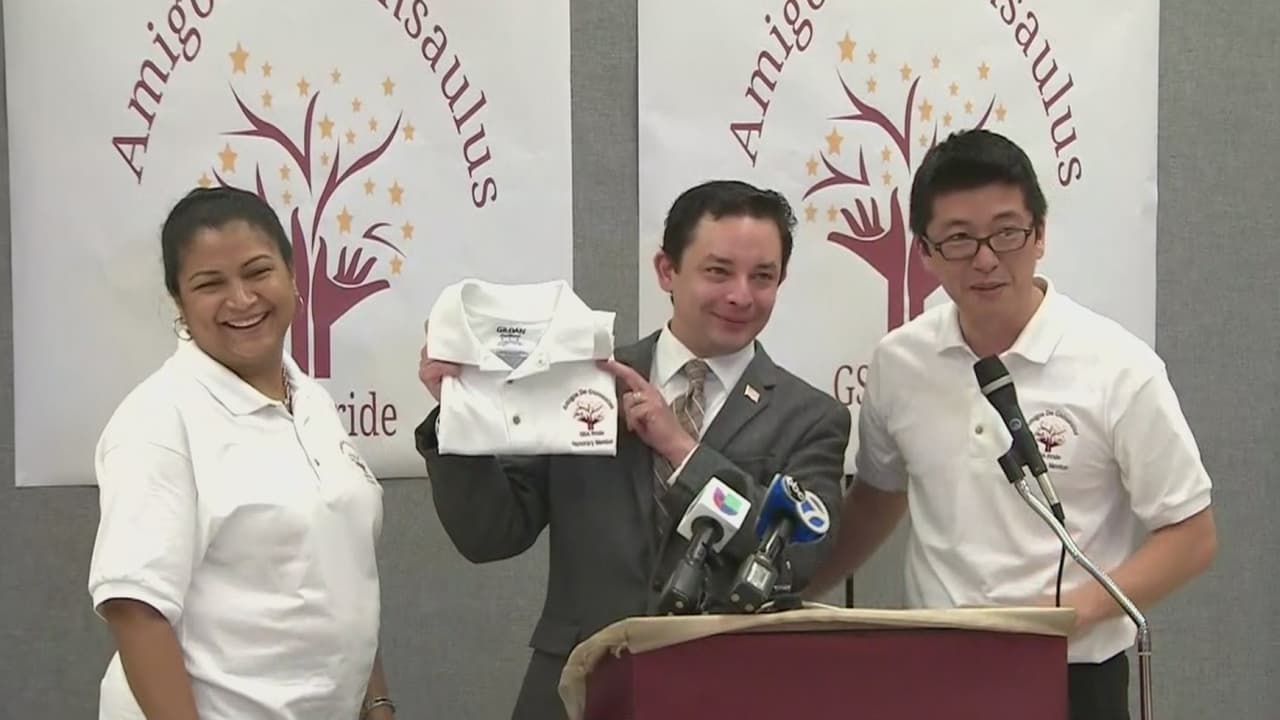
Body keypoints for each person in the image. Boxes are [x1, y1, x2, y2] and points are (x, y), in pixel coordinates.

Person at [804, 129, 1218, 720]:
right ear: (925, 253)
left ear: (1040, 235)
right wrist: (793, 592)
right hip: (936, 667)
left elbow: (1192, 535)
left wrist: (1072, 613)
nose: (986, 259)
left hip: (1073, 671)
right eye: (958, 239)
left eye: (1007, 233)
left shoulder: (1118, 365)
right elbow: (877, 498)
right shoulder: (900, 362)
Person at [415, 180, 850, 720]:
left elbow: (798, 557)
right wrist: (459, 414)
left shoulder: (811, 418)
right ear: (667, 270)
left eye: (762, 277)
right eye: (718, 272)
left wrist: (681, 449)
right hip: (580, 687)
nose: (741, 295)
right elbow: (491, 534)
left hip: (728, 693)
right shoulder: (582, 378)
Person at [87, 187, 395, 720]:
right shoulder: (158, 420)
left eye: (258, 272)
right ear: (179, 303)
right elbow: (135, 610)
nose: (242, 299)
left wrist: (379, 703)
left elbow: (341, 573)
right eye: (210, 284)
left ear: (292, 275)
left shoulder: (312, 402)